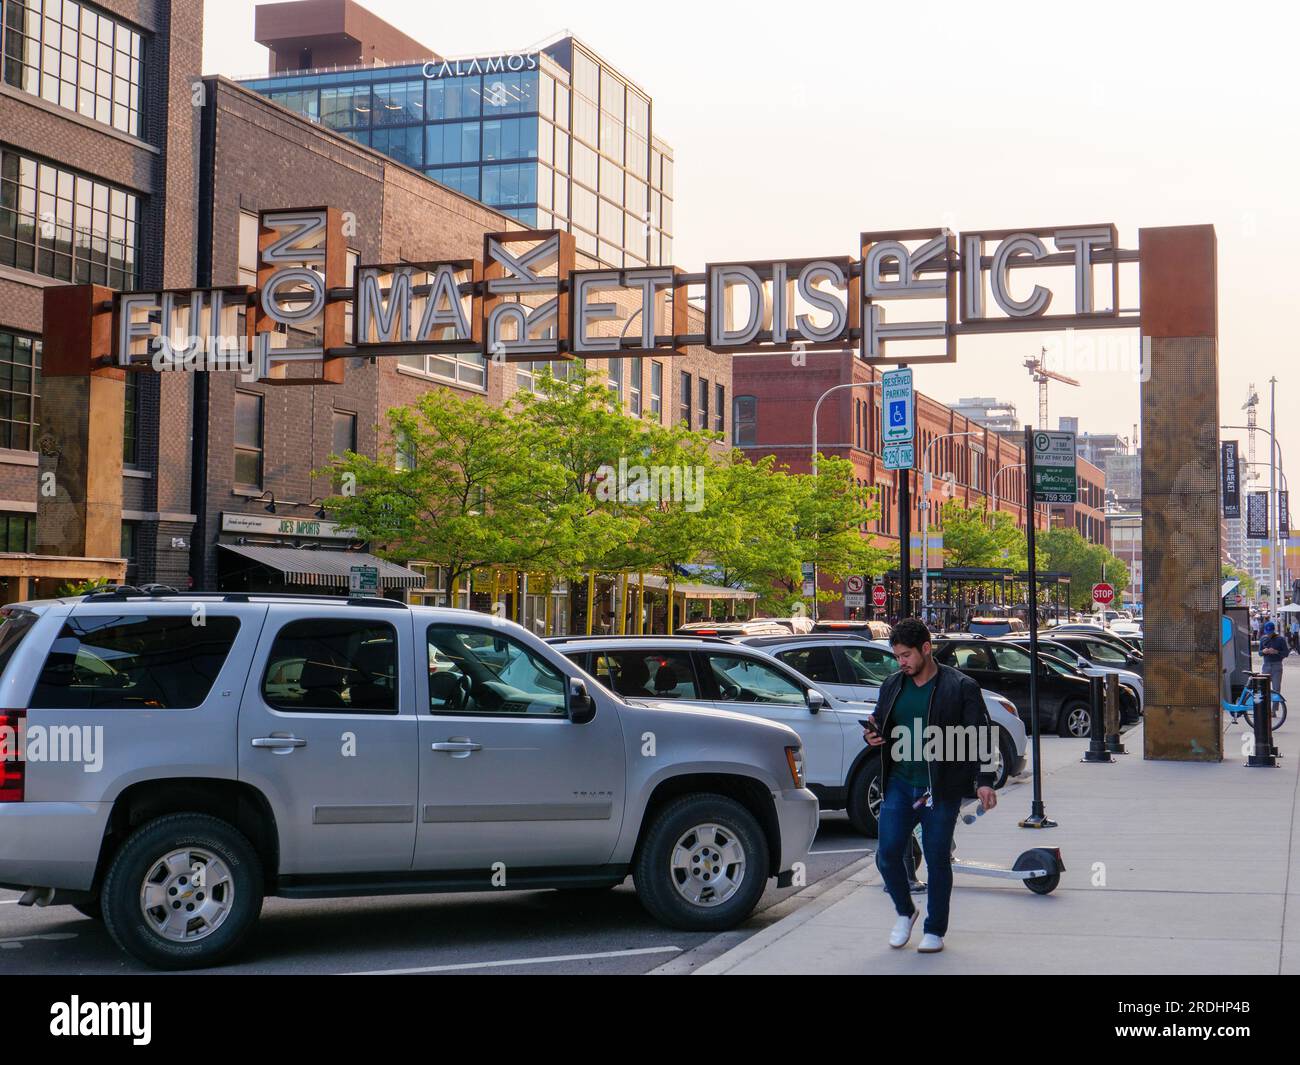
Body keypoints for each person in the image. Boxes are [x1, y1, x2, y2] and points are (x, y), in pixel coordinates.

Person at [864, 618, 997, 954]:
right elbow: (880, 723)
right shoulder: (893, 685)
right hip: (899, 782)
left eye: (906, 655)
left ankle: (934, 930)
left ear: (926, 648)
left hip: (940, 787)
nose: (902, 662)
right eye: (897, 656)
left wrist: (984, 781)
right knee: (888, 854)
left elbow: (981, 733)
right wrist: (872, 735)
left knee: (937, 858)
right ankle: (905, 911)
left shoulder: (960, 686)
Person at [1260, 620, 1290, 693]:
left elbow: (1286, 653)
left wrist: (1276, 652)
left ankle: (1275, 704)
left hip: (1277, 665)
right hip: (1266, 665)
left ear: (1273, 630)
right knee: (1263, 688)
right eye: (1267, 632)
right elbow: (1259, 653)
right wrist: (1263, 651)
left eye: (1270, 632)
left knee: (1276, 689)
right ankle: (1266, 704)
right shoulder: (1263, 639)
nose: (1269, 634)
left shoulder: (1280, 639)